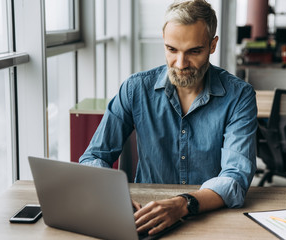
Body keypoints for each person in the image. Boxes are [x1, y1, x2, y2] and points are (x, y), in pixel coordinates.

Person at [79, 0, 257, 236]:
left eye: (194, 51)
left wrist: (183, 204)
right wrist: (113, 197)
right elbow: (94, 157)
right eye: (172, 50)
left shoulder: (239, 96)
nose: (181, 64)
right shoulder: (135, 89)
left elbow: (235, 178)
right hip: (144, 216)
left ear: (212, 45)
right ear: (163, 39)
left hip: (210, 217)